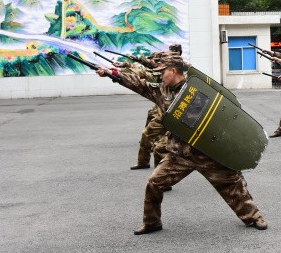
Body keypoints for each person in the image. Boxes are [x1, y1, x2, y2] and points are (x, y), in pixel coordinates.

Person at [96, 56, 268, 234]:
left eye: (162, 72)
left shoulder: (199, 88)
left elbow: (222, 114)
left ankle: (253, 217)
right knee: (154, 183)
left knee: (232, 185)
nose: (160, 76)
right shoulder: (161, 90)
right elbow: (138, 84)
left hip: (207, 152)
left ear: (173, 70)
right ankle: (152, 222)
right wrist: (112, 74)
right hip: (180, 154)